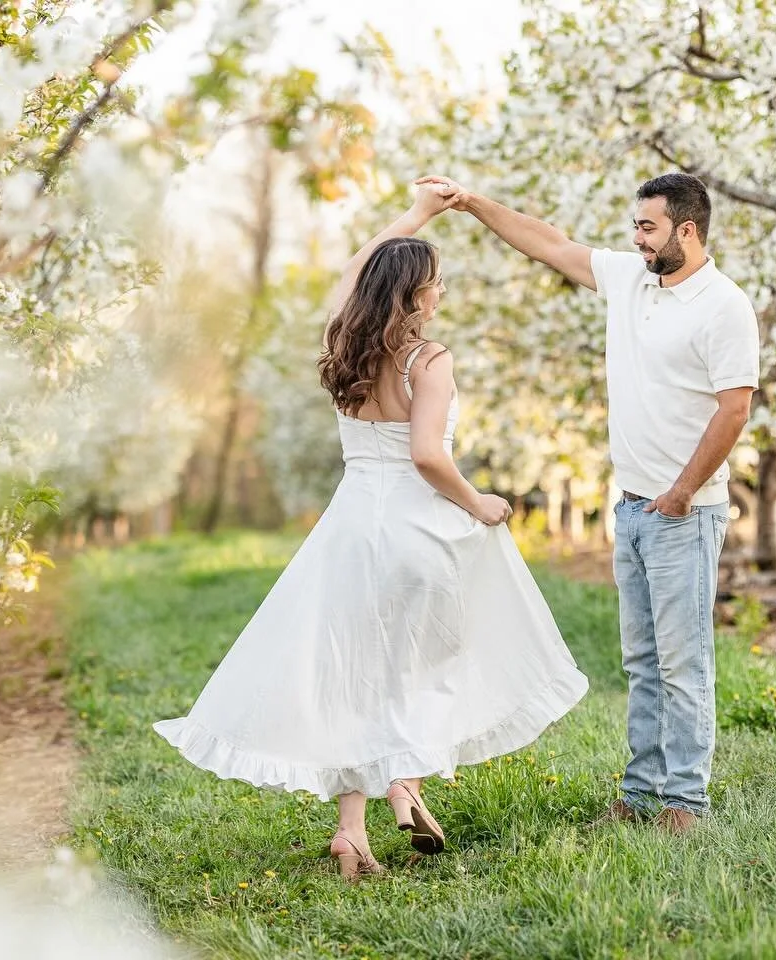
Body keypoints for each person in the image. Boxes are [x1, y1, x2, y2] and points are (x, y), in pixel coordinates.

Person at [154, 183, 589, 880]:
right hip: (419, 527)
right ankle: (404, 779)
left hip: (353, 527)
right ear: (415, 296)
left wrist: (415, 214)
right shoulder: (430, 359)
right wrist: (478, 503)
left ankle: (352, 832)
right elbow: (426, 455)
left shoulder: (344, 340)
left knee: (352, 670)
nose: (441, 294)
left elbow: (352, 272)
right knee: (427, 659)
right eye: (436, 285)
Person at [416, 171, 760, 832]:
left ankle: (685, 802)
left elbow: (735, 409)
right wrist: (474, 200)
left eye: (648, 227)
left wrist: (683, 491)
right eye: (635, 225)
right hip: (630, 509)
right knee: (642, 662)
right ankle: (638, 796)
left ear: (688, 230)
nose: (637, 239)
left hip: (684, 514)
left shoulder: (724, 306)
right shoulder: (631, 280)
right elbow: (549, 245)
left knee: (684, 664)